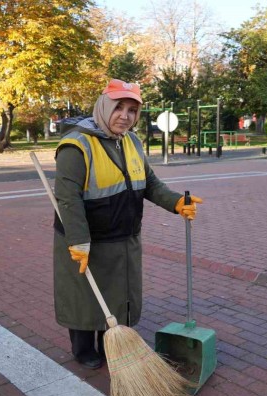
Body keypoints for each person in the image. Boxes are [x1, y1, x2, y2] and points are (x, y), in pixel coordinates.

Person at [53, 79, 203, 369]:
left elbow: (149, 183)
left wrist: (175, 202)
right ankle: (83, 349)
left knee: (118, 296)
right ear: (104, 107)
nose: (125, 115)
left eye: (132, 110)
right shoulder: (75, 145)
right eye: (119, 107)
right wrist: (79, 241)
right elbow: (67, 199)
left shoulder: (132, 141)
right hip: (86, 240)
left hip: (123, 236)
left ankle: (111, 343)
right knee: (86, 297)